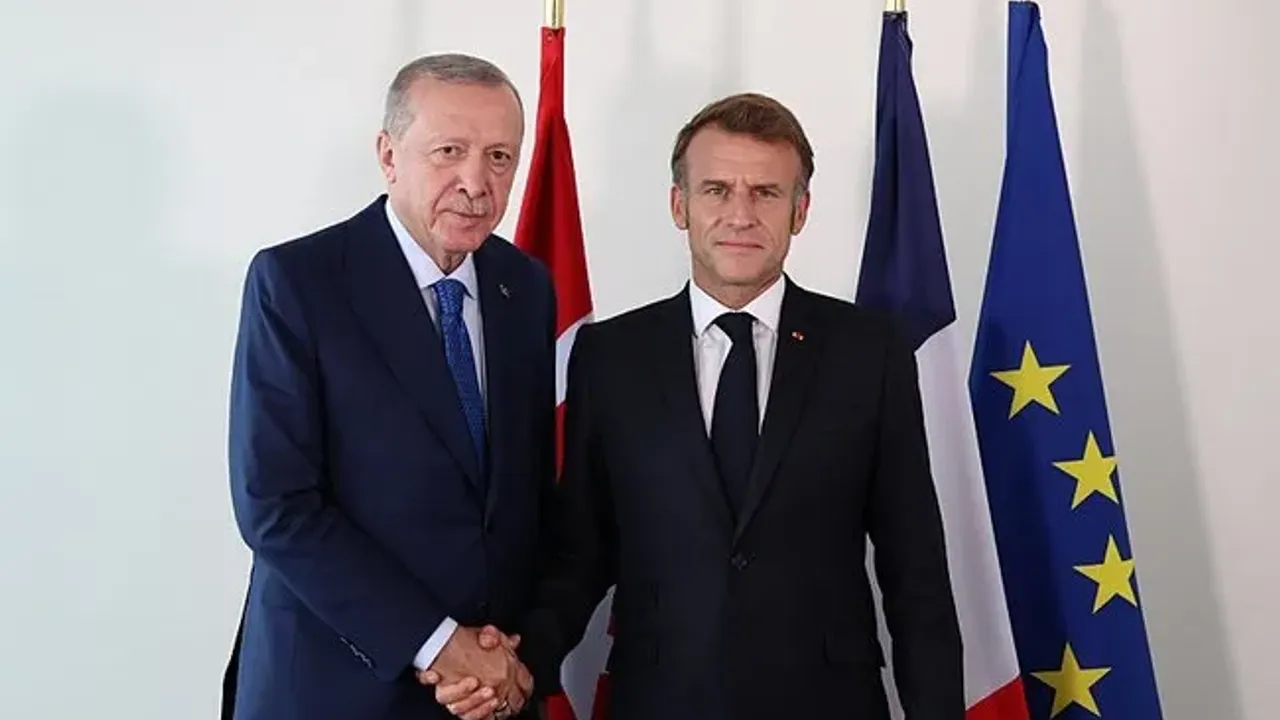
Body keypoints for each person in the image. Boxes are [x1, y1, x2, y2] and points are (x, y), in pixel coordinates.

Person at [428, 92, 965, 719]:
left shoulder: (868, 352)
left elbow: (915, 570)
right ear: (679, 205)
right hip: (659, 701)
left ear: (800, 211)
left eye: (765, 192)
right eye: (716, 190)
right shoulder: (611, 356)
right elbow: (581, 552)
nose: (740, 214)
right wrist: (517, 671)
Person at [222, 53, 551, 720]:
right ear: (388, 154)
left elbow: (521, 499)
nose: (476, 182)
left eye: (499, 157)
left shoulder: (526, 286)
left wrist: (505, 661)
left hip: (484, 696)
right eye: (449, 151)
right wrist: (439, 644)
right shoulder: (298, 282)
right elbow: (277, 505)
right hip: (333, 691)